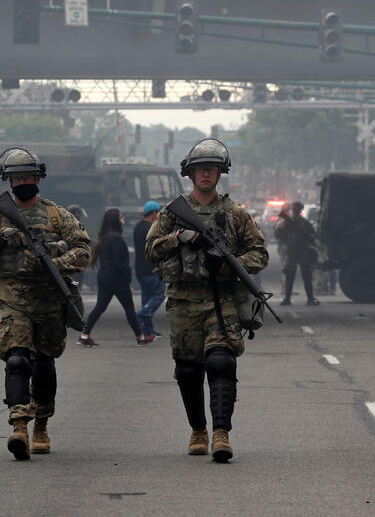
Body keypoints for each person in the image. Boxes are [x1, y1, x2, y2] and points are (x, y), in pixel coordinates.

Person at [145, 138, 268, 462]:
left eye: (212, 170)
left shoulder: (235, 214)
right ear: (190, 174)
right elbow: (150, 251)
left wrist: (230, 263)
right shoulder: (173, 213)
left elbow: (260, 253)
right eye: (200, 170)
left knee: (221, 362)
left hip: (221, 299)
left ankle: (221, 433)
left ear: (220, 173)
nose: (206, 175)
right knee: (188, 370)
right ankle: (198, 429)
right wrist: (178, 237)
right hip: (184, 300)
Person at [0, 147, 91, 460]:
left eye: (27, 176)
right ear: (8, 181)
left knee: (44, 365)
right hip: (13, 300)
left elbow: (84, 251)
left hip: (49, 301)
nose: (22, 181)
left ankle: (42, 426)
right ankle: (19, 425)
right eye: (16, 177)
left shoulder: (57, 215)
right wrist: (0, 237)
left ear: (38, 178)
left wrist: (56, 261)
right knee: (18, 359)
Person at [76, 208, 145, 347]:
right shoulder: (116, 239)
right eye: (120, 217)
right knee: (129, 308)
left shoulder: (105, 238)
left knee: (100, 307)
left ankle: (84, 335)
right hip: (117, 279)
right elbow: (120, 262)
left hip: (105, 277)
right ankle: (141, 337)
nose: (122, 219)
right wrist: (128, 276)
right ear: (116, 220)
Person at [274, 201, 319, 306]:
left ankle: (310, 298)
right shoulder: (287, 222)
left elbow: (312, 234)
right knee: (290, 275)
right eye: (294, 209)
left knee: (307, 276)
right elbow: (279, 234)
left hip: (303, 251)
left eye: (297, 209)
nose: (295, 211)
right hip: (292, 251)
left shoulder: (304, 223)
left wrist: (309, 237)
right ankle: (287, 298)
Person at [133, 200, 166, 343]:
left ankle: (148, 331)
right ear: (153, 213)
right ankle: (141, 315)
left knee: (146, 298)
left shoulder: (137, 227)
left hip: (139, 268)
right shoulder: (151, 228)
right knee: (159, 295)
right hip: (151, 268)